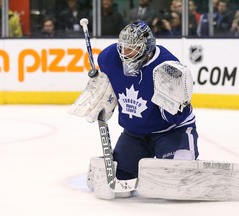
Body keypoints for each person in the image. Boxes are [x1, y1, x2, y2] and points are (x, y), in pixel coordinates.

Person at [70, 20, 199, 199]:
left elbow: (175, 117)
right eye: (123, 47)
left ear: (147, 48)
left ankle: (182, 156)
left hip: (171, 132)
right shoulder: (109, 58)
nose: (125, 53)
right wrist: (103, 94)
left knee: (177, 181)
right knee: (119, 185)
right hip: (135, 134)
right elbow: (109, 85)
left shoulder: (167, 67)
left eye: (133, 49)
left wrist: (175, 104)